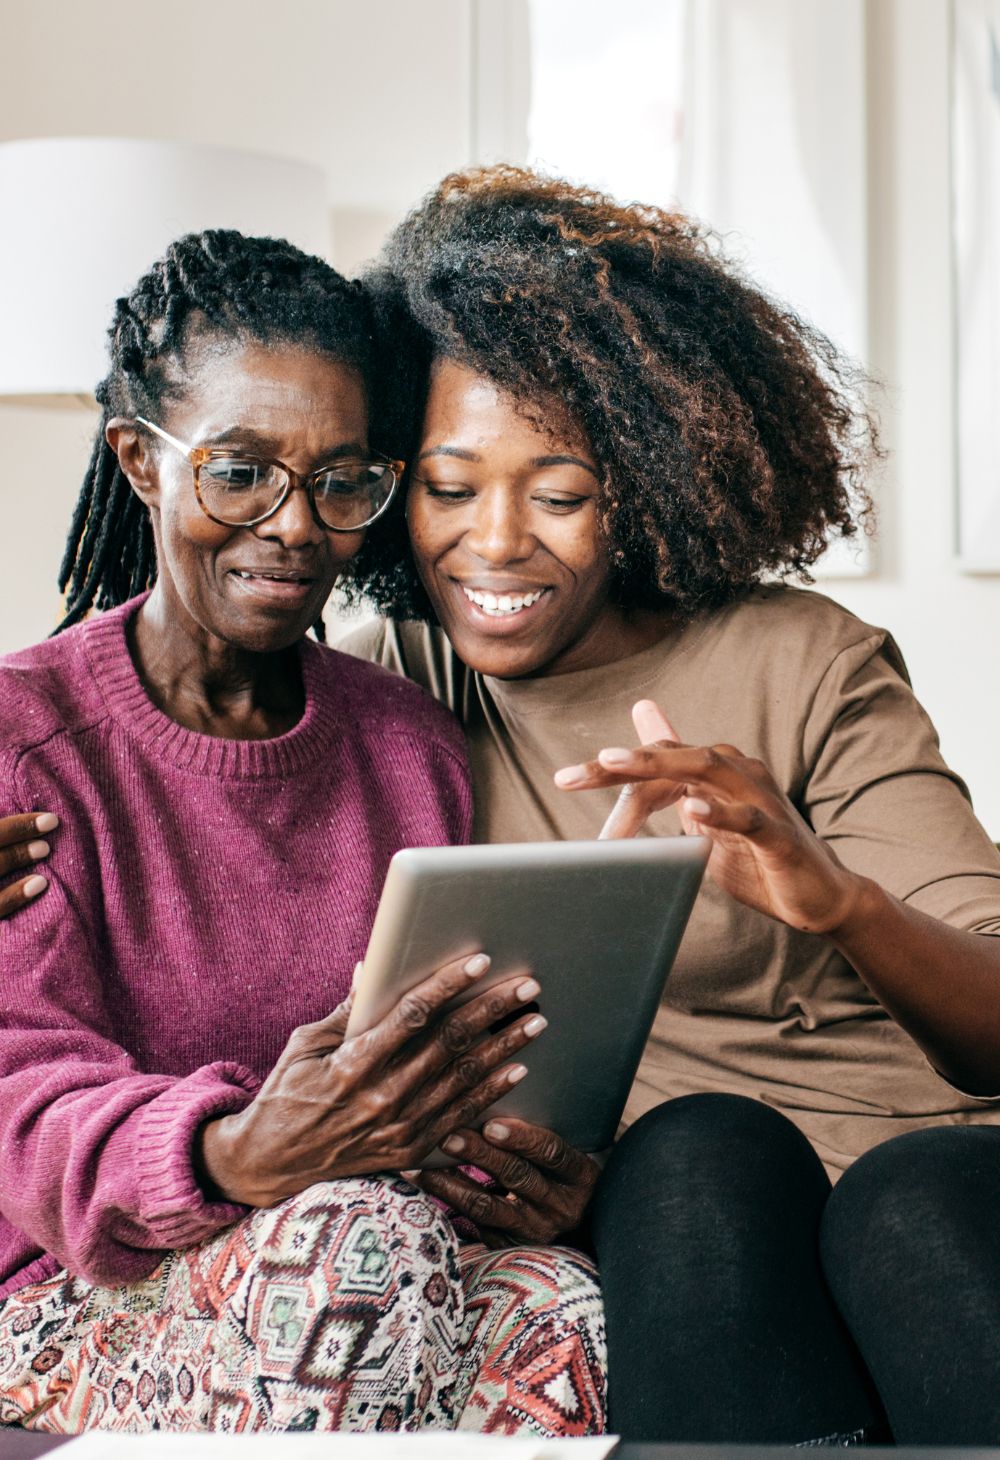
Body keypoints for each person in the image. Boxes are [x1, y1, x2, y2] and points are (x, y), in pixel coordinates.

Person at [323, 167, 1000, 1444]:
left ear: (642, 483)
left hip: (929, 1165)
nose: (497, 543)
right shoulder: (388, 684)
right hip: (689, 1191)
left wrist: (838, 897)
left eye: (561, 492)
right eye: (450, 487)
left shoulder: (803, 659)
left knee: (904, 1198)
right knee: (691, 1151)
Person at [0, 228, 605, 1437]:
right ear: (139, 461)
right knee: (357, 1241)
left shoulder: (407, 740)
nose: (293, 524)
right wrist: (233, 1148)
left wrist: (512, 1169)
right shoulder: (26, 737)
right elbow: (22, 1097)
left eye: (340, 480)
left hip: (360, 1246)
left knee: (563, 1302)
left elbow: (436, 1054)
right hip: (67, 1287)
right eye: (239, 471)